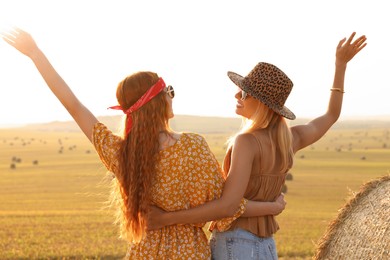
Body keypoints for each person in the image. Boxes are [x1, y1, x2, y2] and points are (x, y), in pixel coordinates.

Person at [1, 27, 287, 259]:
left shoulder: (124, 154)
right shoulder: (193, 147)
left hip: (144, 252)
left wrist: (35, 54)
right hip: (190, 253)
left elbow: (73, 106)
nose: (173, 96)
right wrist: (271, 207)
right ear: (159, 100)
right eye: (169, 91)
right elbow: (227, 206)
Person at [147, 32, 367, 259]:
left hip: (235, 243)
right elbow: (331, 115)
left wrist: (165, 218)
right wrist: (340, 66)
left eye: (244, 92)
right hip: (267, 246)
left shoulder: (246, 142)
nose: (236, 94)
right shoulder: (291, 139)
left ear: (262, 103)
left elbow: (228, 206)